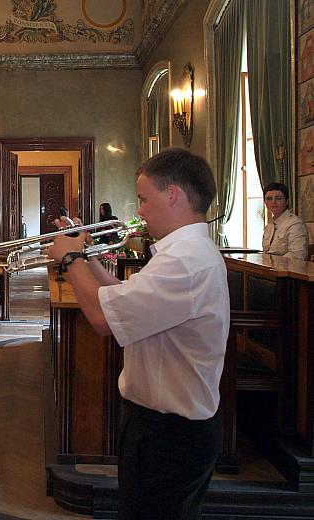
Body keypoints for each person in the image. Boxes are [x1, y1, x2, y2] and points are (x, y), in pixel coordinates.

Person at [46, 148, 228, 520]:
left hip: (170, 436)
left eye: (145, 199)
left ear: (173, 194)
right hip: (157, 426)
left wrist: (70, 258)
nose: (140, 210)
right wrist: (90, 255)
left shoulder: (185, 260)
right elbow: (122, 299)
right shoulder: (181, 253)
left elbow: (100, 317)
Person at [261, 182, 310, 260]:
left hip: (287, 270)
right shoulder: (269, 227)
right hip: (268, 270)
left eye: (278, 198)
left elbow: (297, 255)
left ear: (286, 201)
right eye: (269, 199)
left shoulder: (295, 224)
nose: (273, 202)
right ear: (265, 202)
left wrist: (271, 264)